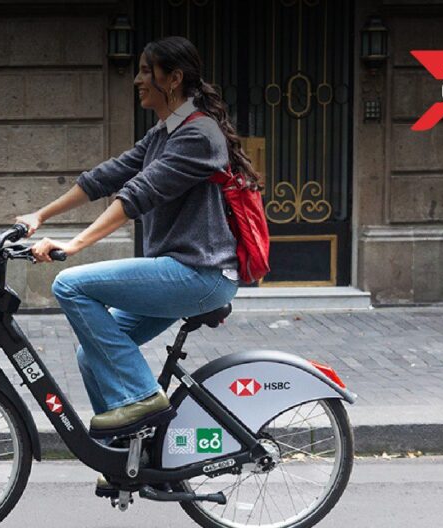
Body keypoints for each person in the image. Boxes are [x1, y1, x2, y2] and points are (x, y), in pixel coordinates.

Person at [15, 36, 260, 443]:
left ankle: (143, 398)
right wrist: (39, 216)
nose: (137, 80)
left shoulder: (199, 135)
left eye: (148, 71)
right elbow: (108, 176)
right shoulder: (166, 131)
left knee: (70, 285)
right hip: (178, 272)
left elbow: (139, 193)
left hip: (200, 272)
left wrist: (74, 245)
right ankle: (127, 452)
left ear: (174, 78)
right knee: (91, 356)